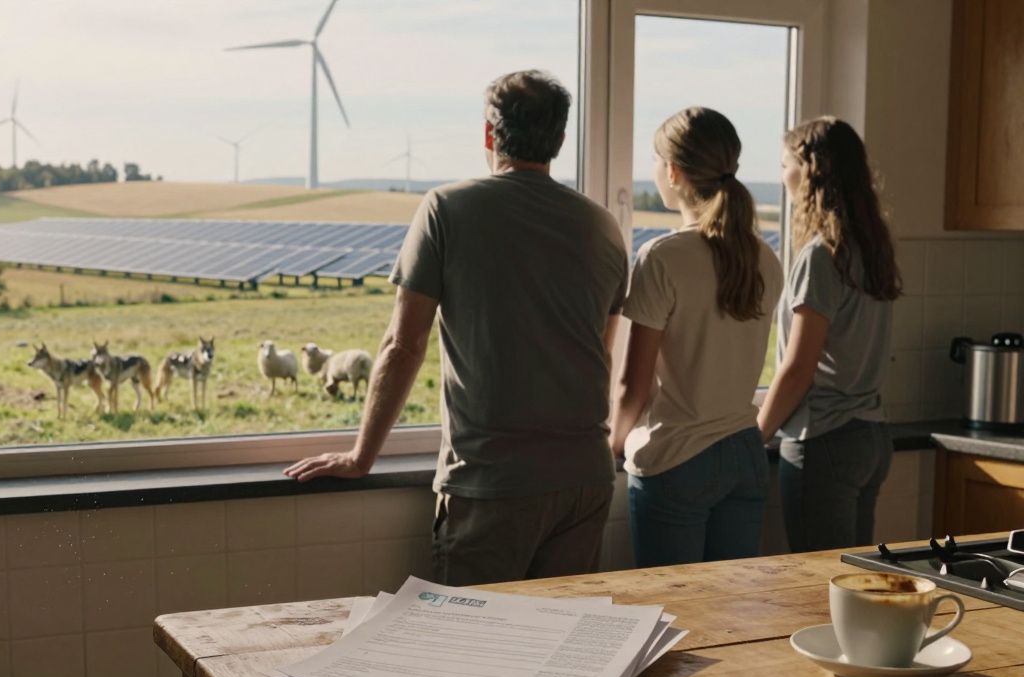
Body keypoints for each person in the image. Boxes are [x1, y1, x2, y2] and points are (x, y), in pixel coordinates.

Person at [284, 70, 628, 586]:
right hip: (584, 479)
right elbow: (599, 352)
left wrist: (361, 457)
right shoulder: (602, 225)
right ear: (559, 139)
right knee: (557, 653)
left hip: (493, 482)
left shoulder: (447, 208)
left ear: (489, 135)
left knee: (468, 653)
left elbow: (404, 344)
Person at [609, 107, 783, 568]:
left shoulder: (663, 257)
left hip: (677, 460)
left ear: (673, 171)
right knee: (729, 617)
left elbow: (633, 383)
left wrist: (613, 444)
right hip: (744, 454)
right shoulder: (765, 257)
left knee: (672, 610)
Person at [758, 116, 901, 552]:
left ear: (809, 170)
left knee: (819, 588)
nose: (781, 177)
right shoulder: (872, 246)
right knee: (854, 584)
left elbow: (799, 368)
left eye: (785, 165)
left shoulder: (821, 256)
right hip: (870, 439)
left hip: (825, 441)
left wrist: (756, 435)